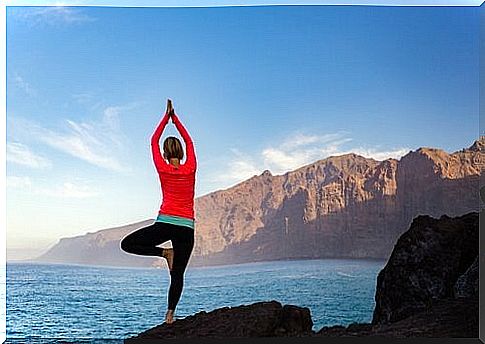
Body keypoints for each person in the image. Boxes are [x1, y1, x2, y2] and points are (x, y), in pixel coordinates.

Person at [120, 99, 197, 325]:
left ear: (164, 153)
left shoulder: (162, 167)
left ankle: (164, 253)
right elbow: (189, 140)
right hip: (186, 227)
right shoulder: (190, 167)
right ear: (182, 152)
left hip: (164, 223)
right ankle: (170, 314)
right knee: (178, 274)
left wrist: (166, 117)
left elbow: (153, 140)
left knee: (127, 244)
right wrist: (175, 119)